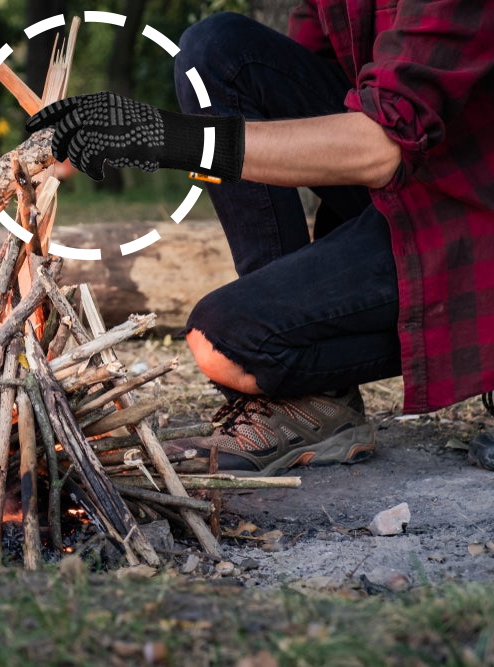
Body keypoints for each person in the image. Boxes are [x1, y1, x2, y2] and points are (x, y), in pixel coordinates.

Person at [25, 1, 494, 475]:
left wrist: (168, 139)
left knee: (225, 344)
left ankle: (293, 381)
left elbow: (380, 148)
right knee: (215, 51)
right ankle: (312, 397)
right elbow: (298, 99)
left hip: (469, 218)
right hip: (410, 189)